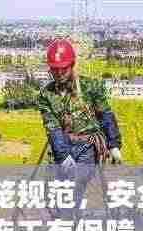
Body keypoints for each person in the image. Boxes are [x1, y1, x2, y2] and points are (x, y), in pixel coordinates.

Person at [37, 38, 122, 168]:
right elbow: (53, 127)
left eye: (63, 69)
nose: (59, 73)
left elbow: (105, 115)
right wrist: (62, 155)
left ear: (72, 65)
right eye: (55, 69)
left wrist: (114, 145)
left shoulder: (90, 86)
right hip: (63, 145)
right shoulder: (46, 95)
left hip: (87, 147)